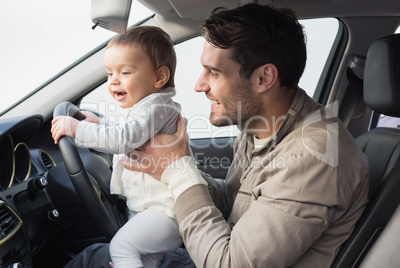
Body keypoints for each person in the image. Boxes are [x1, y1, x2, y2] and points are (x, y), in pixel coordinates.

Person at [64, 3, 369, 268]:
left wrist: (179, 170)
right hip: (222, 246)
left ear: (264, 78)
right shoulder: (260, 126)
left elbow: (229, 263)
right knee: (96, 256)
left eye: (214, 72)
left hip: (224, 257)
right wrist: (165, 169)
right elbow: (236, 203)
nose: (199, 85)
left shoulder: (313, 156)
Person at [52, 26, 183, 268]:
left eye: (124, 72)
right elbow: (135, 132)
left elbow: (125, 138)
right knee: (144, 257)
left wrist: (76, 129)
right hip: (152, 208)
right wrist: (101, 123)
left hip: (165, 211)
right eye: (109, 73)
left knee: (121, 246)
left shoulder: (157, 107)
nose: (114, 81)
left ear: (158, 77)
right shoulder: (149, 107)